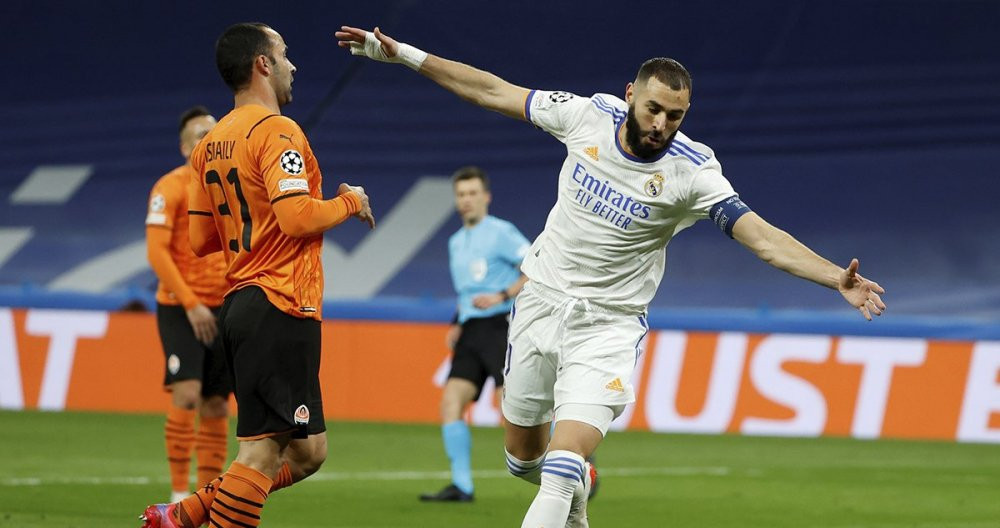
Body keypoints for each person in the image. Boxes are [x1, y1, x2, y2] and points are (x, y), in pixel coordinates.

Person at [336, 26, 887, 527]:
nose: (661, 124)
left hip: (609, 327)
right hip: (540, 305)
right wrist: (405, 55)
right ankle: (578, 488)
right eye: (653, 109)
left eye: (675, 116)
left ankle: (570, 475)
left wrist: (834, 276)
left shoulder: (693, 173)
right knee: (523, 461)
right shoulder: (585, 116)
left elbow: (762, 238)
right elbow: (492, 91)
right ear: (630, 94)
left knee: (559, 464)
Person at [141, 22, 375, 528]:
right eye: (285, 54)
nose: (294, 65)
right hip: (280, 302)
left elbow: (201, 241)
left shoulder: (210, 145)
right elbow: (296, 218)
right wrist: (349, 201)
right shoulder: (277, 130)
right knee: (262, 455)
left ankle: (181, 515)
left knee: (309, 450)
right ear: (262, 64)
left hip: (244, 304)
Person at [419, 166, 530, 502]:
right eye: (461, 195)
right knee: (451, 402)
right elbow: (467, 291)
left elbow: (535, 269)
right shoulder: (456, 242)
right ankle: (462, 485)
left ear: (486, 197)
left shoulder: (501, 232)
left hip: (499, 326)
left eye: (472, 193)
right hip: (470, 330)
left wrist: (502, 295)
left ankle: (572, 455)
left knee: (511, 407)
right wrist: (457, 320)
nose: (466, 200)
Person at [145, 106, 231, 503]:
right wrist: (192, 303)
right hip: (181, 307)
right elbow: (158, 253)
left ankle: (207, 497)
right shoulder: (170, 187)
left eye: (212, 134)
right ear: (184, 147)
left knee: (216, 402)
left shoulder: (231, 187)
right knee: (188, 394)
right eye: (199, 135)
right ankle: (180, 494)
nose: (207, 140)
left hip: (225, 308)